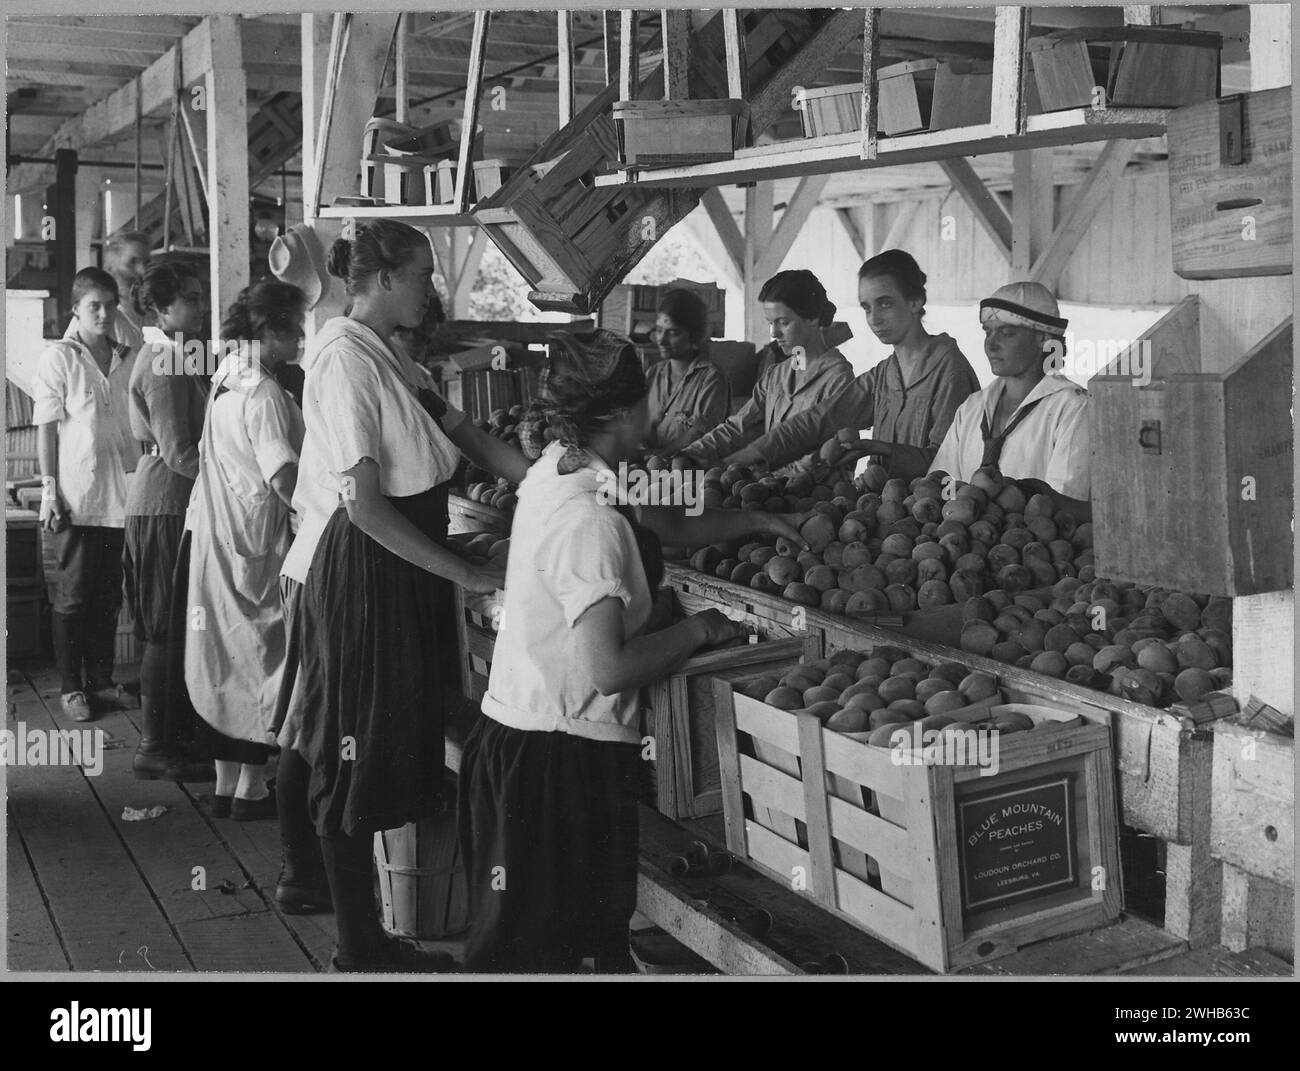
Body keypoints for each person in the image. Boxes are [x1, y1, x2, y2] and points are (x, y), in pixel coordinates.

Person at [458, 329, 809, 973]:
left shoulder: (563, 466)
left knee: (557, 947)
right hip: (555, 763)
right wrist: (700, 631)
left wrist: (757, 522)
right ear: (623, 412)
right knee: (544, 955)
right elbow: (610, 668)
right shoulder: (588, 520)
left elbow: (664, 526)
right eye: (646, 396)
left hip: (524, 738)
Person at [275, 218, 529, 969]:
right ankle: (359, 948)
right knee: (348, 750)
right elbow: (366, 506)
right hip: (369, 568)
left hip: (404, 565)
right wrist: (471, 573)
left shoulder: (392, 357)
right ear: (383, 281)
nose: (433, 290)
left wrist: (552, 481)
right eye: (422, 276)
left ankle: (373, 936)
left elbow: (469, 436)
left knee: (379, 744)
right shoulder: (344, 362)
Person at [184, 281, 308, 821]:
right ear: (269, 330)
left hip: (220, 532)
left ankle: (226, 784)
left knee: (224, 658)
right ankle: (252, 788)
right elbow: (284, 480)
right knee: (264, 659)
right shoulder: (265, 396)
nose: (301, 337)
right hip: (256, 539)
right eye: (294, 327)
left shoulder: (225, 377)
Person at [728, 250, 979, 480]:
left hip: (927, 516)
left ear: (915, 301)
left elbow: (949, 465)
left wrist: (880, 448)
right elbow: (820, 419)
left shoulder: (949, 371)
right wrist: (748, 455)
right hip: (879, 507)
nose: (874, 318)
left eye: (885, 303)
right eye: (866, 307)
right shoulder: (884, 373)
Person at [33, 268, 138, 722]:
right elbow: (46, 430)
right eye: (93, 304)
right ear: (75, 310)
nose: (104, 312)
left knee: (108, 597)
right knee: (74, 597)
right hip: (77, 498)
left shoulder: (125, 353)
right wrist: (50, 491)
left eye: (110, 303)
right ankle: (71, 688)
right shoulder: (60, 357)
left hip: (120, 498)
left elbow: (132, 331)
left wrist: (122, 313)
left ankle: (102, 680)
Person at [123, 260, 215, 782]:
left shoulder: (175, 357)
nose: (200, 307)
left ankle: (173, 737)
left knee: (176, 624)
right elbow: (180, 452)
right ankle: (154, 746)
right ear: (161, 308)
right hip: (165, 503)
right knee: (162, 627)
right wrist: (235, 487)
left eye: (200, 297)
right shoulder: (163, 361)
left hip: (169, 502)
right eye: (192, 299)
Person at [929, 281, 1091, 518]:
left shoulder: (1073, 407)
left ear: (1043, 338)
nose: (991, 344)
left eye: (1006, 333)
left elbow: (1063, 505)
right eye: (987, 331)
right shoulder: (972, 407)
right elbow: (942, 483)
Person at [679, 269, 853, 474]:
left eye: (784, 322)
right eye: (771, 323)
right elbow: (739, 427)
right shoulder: (776, 376)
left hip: (811, 499)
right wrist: (692, 454)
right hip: (766, 492)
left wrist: (756, 472)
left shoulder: (838, 380)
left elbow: (830, 457)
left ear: (812, 318)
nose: (774, 333)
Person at [642, 289, 729, 455]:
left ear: (693, 336)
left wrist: (659, 455)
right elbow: (638, 424)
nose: (661, 339)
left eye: (673, 333)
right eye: (659, 330)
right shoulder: (653, 374)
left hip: (690, 471)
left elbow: (699, 434)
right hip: (650, 468)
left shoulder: (711, 378)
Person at [103, 231, 151, 352]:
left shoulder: (154, 313)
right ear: (111, 267)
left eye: (147, 263)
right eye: (132, 262)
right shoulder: (97, 316)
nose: (143, 271)